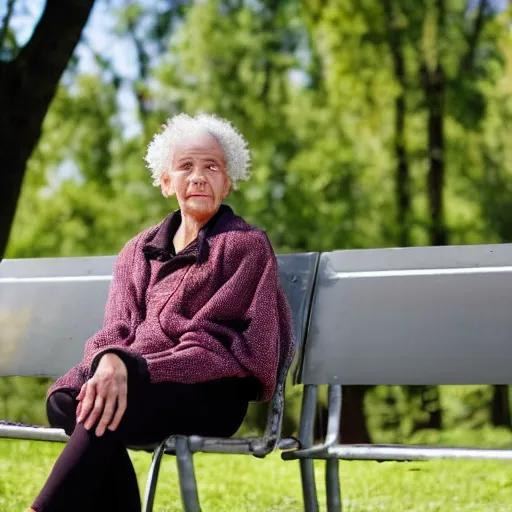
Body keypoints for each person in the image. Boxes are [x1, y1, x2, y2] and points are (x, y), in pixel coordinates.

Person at [30, 113, 294, 511]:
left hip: (212, 392)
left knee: (101, 406)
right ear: (166, 181)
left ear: (229, 180)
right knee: (67, 400)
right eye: (186, 167)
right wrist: (110, 360)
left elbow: (226, 347)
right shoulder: (137, 250)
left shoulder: (245, 246)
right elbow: (117, 327)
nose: (199, 177)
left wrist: (134, 368)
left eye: (212, 167)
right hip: (140, 381)